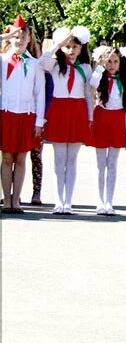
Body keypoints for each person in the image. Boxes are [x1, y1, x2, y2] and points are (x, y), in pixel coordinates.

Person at [40, 26, 92, 214]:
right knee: (59, 158)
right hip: (59, 110)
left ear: (81, 48)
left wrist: (90, 117)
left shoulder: (85, 68)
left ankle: (68, 201)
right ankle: (58, 201)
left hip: (77, 111)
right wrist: (58, 44)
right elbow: (42, 61)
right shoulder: (54, 65)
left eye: (75, 47)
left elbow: (88, 93)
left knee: (72, 160)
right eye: (68, 47)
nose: (71, 50)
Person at [1, 17, 45, 214]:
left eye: (22, 36)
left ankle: (16, 199)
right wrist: (7, 36)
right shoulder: (2, 60)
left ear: (29, 39)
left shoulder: (35, 64)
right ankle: (6, 200)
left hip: (27, 115)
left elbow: (40, 93)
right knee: (7, 157)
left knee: (21, 158)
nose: (18, 40)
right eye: (15, 36)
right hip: (6, 114)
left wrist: (39, 121)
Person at [88, 46, 126, 215]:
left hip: (117, 120)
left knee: (112, 163)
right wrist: (100, 65)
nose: (112, 65)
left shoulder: (124, 81)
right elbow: (92, 83)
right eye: (109, 61)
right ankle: (100, 201)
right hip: (101, 118)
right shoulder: (99, 78)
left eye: (115, 61)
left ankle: (109, 201)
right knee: (101, 163)